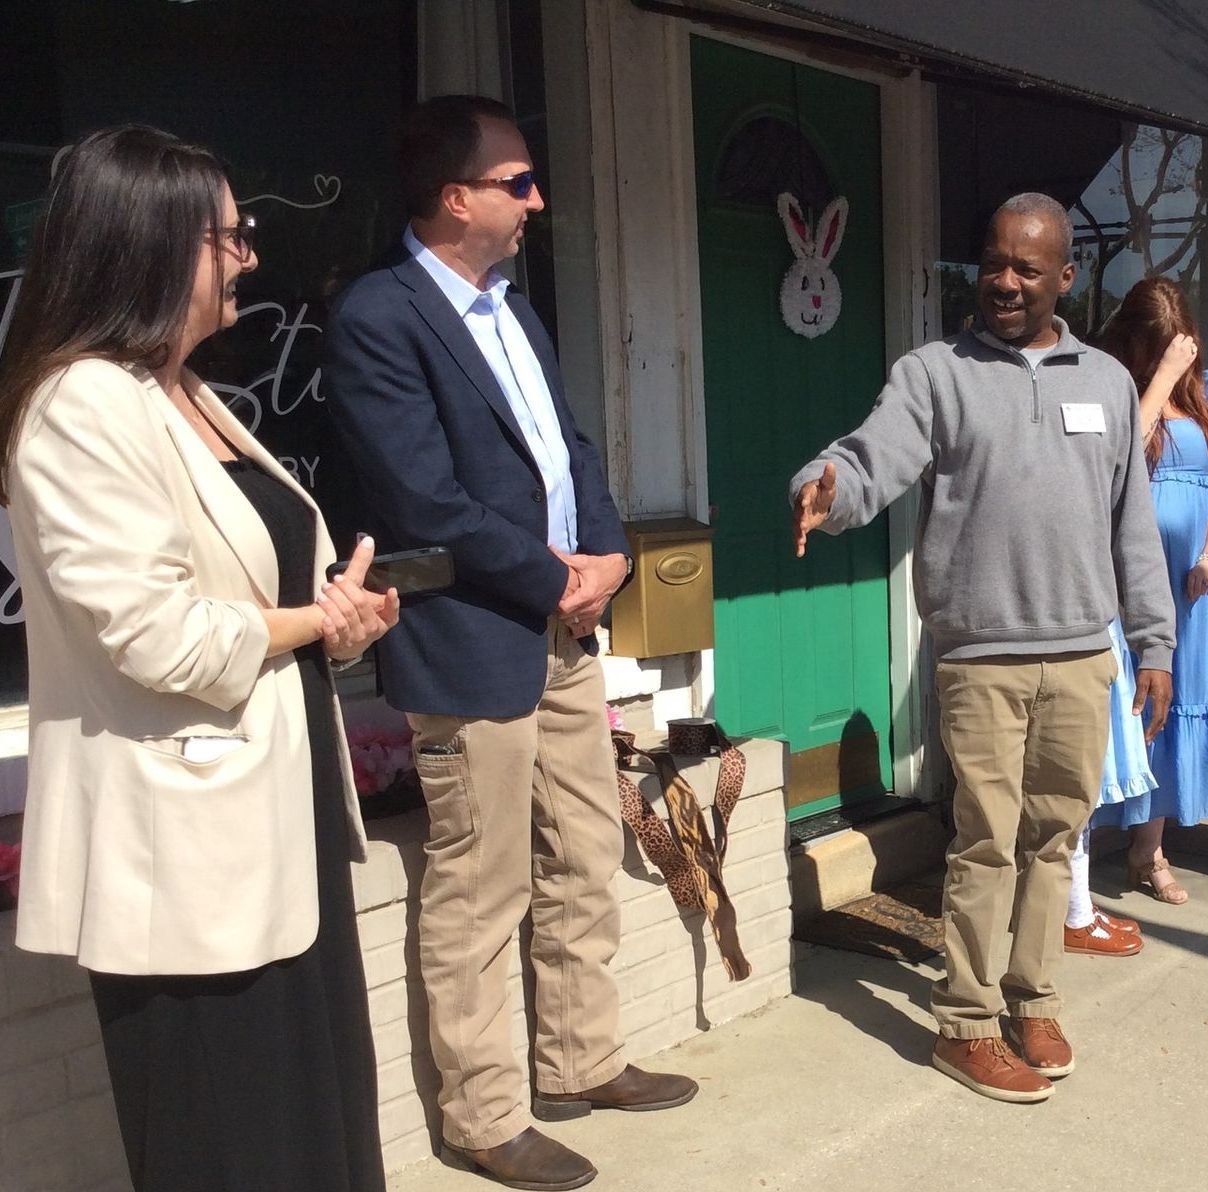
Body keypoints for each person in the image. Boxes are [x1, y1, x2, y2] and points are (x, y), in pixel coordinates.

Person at [0, 125, 397, 1192]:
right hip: (187, 862)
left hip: (280, 826)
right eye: (233, 234)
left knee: (314, 1128)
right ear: (152, 242)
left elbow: (240, 594)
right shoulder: (80, 403)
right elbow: (154, 633)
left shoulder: (189, 394)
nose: (251, 256)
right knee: (233, 1145)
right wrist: (312, 625)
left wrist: (335, 611)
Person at [323, 95, 696, 1191]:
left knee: (583, 847)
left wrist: (612, 554)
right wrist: (554, 576)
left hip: (563, 628)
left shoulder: (515, 312)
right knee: (480, 884)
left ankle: (582, 1057)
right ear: (455, 197)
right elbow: (422, 498)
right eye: (519, 182)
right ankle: (485, 1115)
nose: (538, 200)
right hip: (470, 638)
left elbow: (569, 448)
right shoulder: (377, 317)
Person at [790, 193, 1176, 1104]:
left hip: (1085, 653)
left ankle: (1032, 997)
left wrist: (1152, 641)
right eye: (993, 262)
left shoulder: (1108, 383)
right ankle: (964, 1023)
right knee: (985, 843)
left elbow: (1135, 528)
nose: (1003, 282)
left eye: (1026, 269)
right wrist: (828, 486)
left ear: (1065, 279)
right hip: (981, 659)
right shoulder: (936, 372)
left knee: (1056, 838)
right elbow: (874, 454)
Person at [1092, 277, 1208, 904]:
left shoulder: (1202, 400)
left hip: (1192, 583)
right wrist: (1156, 381)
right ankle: (1098, 838)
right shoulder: (1114, 390)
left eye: (1179, 346)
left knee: (1177, 708)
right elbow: (1113, 458)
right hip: (1132, 581)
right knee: (1134, 705)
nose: (1173, 359)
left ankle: (1149, 849)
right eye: (1158, 348)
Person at [1064, 618, 1150, 958]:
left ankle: (1078, 906)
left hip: (1097, 631)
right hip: (1070, 639)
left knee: (1085, 794)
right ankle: (1073, 916)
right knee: (1072, 793)